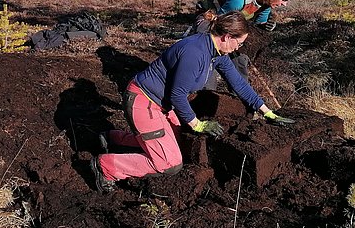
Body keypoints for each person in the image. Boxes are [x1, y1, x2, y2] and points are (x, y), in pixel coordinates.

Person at [91, 11, 292, 193]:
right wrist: (197, 124)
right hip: (144, 101)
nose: (238, 48)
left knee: (178, 143)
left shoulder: (217, 53)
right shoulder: (195, 52)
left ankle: (111, 139)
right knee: (170, 163)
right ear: (227, 37)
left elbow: (238, 83)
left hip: (162, 104)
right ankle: (106, 166)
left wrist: (266, 110)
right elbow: (178, 95)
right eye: (238, 44)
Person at [191, 0, 297, 87]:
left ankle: (239, 95)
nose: (285, 4)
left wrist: (267, 26)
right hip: (209, 17)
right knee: (210, 50)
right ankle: (204, 90)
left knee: (240, 59)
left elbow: (257, 27)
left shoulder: (265, 3)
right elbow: (218, 24)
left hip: (233, 21)